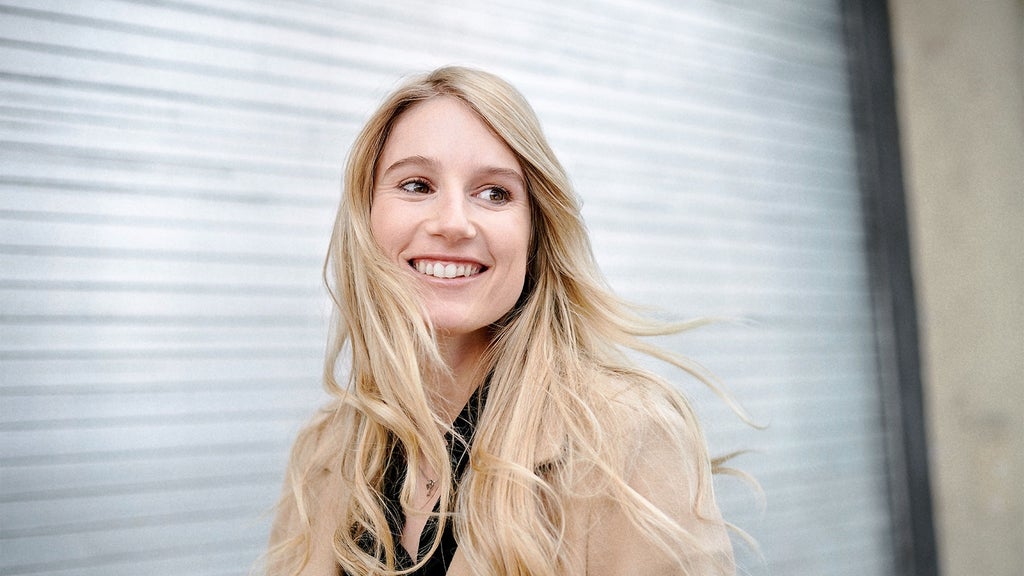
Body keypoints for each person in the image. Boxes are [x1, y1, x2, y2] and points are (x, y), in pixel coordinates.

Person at [265, 66, 736, 575]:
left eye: (494, 193)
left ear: (535, 232)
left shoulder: (626, 437)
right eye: (417, 185)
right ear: (366, 217)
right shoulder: (323, 450)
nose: (452, 223)